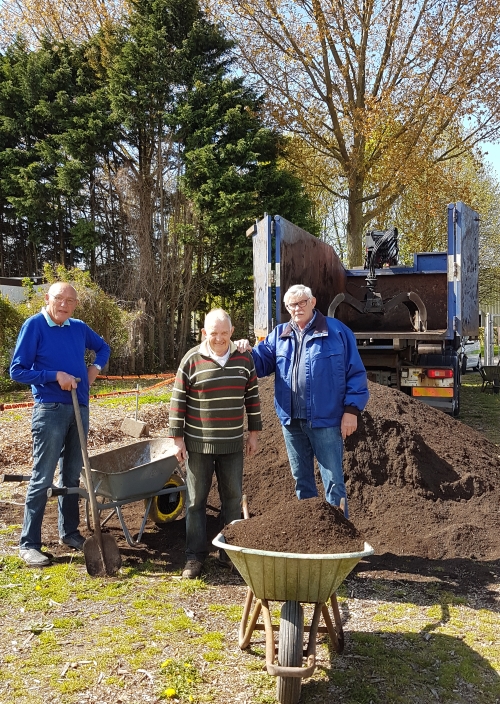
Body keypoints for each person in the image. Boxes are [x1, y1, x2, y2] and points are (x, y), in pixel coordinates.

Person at [235, 284, 368, 518]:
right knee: (302, 481)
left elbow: (355, 373)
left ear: (313, 302)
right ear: (287, 308)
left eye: (302, 302)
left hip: (326, 420)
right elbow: (261, 364)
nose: (297, 308)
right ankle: (312, 535)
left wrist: (351, 411)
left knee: (334, 481)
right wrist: (245, 351)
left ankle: (339, 537)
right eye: (292, 305)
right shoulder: (280, 335)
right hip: (292, 422)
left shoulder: (337, 333)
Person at [10, 282, 110, 567]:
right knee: (42, 477)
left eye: (70, 300)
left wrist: (94, 369)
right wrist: (55, 376)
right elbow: (18, 370)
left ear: (76, 304)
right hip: (50, 410)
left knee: (71, 476)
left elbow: (103, 347)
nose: (64, 304)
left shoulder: (77, 327)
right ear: (47, 299)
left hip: (79, 407)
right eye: (59, 299)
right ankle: (29, 544)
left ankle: (69, 532)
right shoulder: (34, 326)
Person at [168, 308, 262, 579]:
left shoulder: (244, 359)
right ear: (204, 333)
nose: (219, 338)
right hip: (199, 444)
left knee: (232, 500)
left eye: (224, 333)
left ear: (231, 332)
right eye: (213, 333)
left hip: (232, 443)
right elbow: (177, 402)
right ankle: (194, 557)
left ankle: (228, 553)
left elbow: (253, 399)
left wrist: (253, 434)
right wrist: (177, 440)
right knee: (196, 501)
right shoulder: (191, 360)